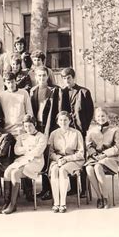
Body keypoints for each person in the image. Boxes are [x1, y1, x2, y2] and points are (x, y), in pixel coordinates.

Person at [0, 115, 47, 214]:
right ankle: (6, 202)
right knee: (7, 172)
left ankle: (13, 205)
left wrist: (25, 151)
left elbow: (38, 152)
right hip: (23, 159)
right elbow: (16, 151)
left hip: (36, 162)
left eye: (30, 126)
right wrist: (28, 149)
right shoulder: (21, 137)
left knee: (15, 173)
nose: (28, 128)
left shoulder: (41, 136)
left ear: (35, 125)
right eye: (25, 126)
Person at [59, 67, 95, 198]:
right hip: (67, 131)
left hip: (80, 131)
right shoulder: (61, 92)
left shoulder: (84, 92)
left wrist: (83, 126)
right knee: (69, 155)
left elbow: (90, 112)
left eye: (69, 78)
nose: (67, 80)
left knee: (81, 157)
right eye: (64, 78)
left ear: (73, 78)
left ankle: (84, 189)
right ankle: (73, 188)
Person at [28, 66, 60, 201]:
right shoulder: (33, 91)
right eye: (39, 76)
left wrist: (48, 131)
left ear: (48, 76)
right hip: (37, 127)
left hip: (48, 126)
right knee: (38, 157)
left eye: (44, 76)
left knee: (47, 158)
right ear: (36, 77)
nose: (41, 78)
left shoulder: (54, 90)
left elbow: (55, 111)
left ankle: (50, 189)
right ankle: (43, 189)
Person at [48, 111, 84, 213]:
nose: (63, 122)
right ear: (57, 121)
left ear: (70, 121)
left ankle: (63, 203)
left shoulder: (76, 133)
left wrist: (66, 159)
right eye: (61, 120)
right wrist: (58, 158)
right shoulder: (53, 134)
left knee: (63, 170)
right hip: (58, 160)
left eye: (65, 120)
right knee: (54, 170)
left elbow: (81, 153)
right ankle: (56, 203)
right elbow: (50, 153)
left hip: (74, 160)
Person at [85, 107, 119, 209]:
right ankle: (99, 197)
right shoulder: (91, 131)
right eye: (98, 116)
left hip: (110, 158)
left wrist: (104, 154)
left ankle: (106, 197)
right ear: (95, 118)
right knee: (89, 168)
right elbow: (88, 145)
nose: (101, 118)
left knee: (98, 167)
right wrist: (94, 154)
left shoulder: (114, 130)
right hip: (96, 157)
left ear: (107, 117)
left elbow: (117, 148)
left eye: (103, 116)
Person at [0, 72, 31, 137]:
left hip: (21, 130)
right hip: (6, 130)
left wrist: (27, 127)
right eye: (8, 83)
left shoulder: (24, 93)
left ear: (15, 81)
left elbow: (29, 112)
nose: (11, 85)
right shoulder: (1, 95)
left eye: (12, 82)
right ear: (5, 83)